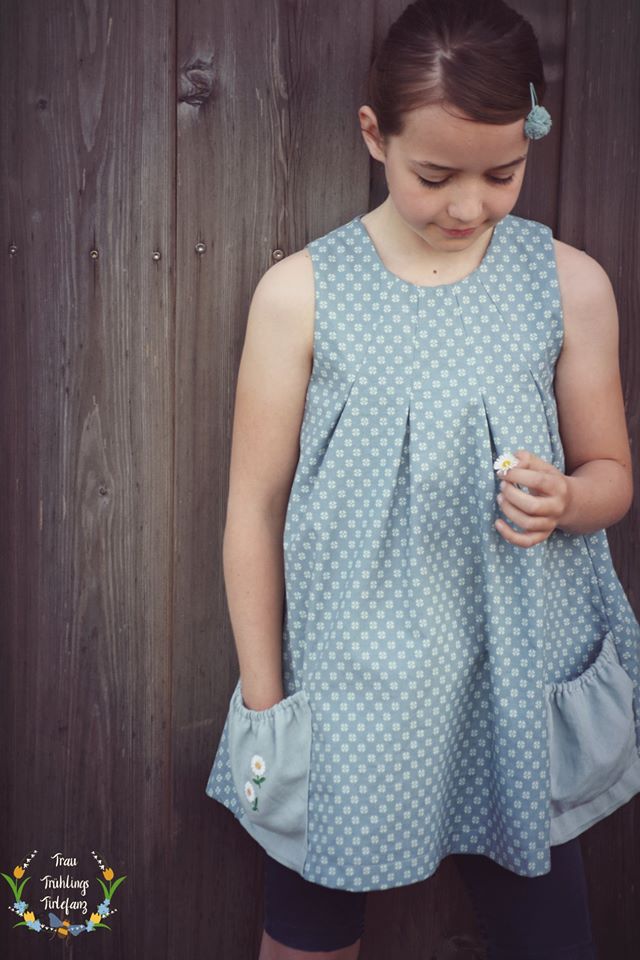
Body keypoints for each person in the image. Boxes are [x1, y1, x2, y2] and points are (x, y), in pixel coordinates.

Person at [205, 1, 640, 957]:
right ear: (375, 135)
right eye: (434, 175)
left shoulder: (567, 282)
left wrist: (569, 498)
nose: (470, 206)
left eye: (503, 174)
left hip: (512, 674)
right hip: (352, 685)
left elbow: (613, 475)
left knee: (549, 934)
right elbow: (253, 510)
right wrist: (270, 703)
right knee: (309, 931)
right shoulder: (300, 294)